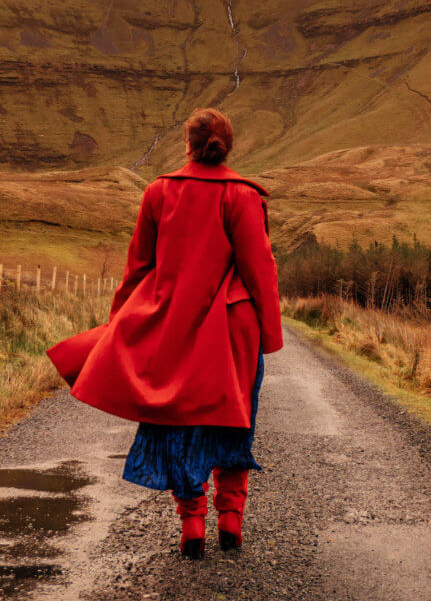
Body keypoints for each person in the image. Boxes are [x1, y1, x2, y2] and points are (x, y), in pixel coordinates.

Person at [46, 106, 283, 559]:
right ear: (227, 146)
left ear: (186, 146)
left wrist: (118, 324)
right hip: (233, 331)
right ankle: (231, 517)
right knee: (234, 420)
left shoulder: (159, 192)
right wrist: (268, 335)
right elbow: (260, 273)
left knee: (176, 422)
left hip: (170, 325)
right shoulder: (243, 195)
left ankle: (192, 523)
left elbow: (138, 267)